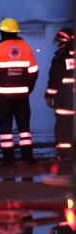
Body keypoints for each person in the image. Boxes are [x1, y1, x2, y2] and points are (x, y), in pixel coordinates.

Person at [0, 18, 39, 163]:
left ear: (2, 32)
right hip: (22, 96)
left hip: (2, 97)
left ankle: (8, 160)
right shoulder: (26, 47)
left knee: (5, 128)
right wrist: (29, 88)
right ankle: (28, 158)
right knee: (24, 128)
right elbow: (33, 71)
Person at [45, 27, 75, 159]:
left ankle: (64, 154)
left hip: (64, 98)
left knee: (63, 126)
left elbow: (55, 79)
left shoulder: (60, 56)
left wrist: (49, 95)